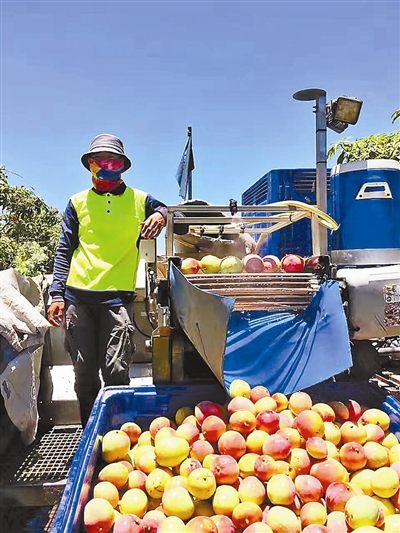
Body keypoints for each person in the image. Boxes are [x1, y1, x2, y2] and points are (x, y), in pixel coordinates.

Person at [47, 133, 184, 427]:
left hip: (117, 300)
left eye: (113, 161)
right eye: (100, 161)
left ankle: (117, 433)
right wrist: (56, 294)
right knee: (84, 376)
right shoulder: (77, 203)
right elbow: (64, 250)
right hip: (78, 299)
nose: (107, 166)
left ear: (122, 165)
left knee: (116, 372)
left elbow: (171, 210)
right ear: (90, 166)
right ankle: (90, 434)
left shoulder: (139, 199)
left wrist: (160, 214)